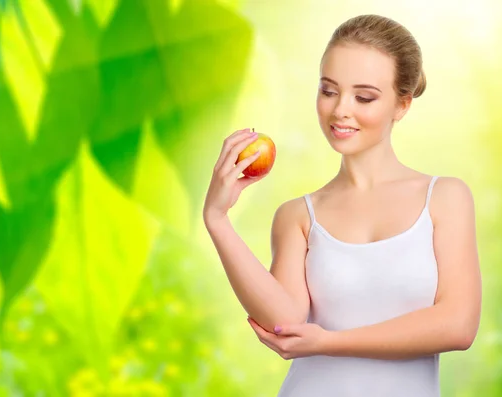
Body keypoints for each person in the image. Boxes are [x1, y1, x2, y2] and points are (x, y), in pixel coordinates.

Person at [202, 14, 482, 397]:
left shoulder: (445, 198)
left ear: (402, 105)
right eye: (329, 90)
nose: (340, 110)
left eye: (364, 97)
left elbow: (458, 326)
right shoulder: (297, 216)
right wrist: (217, 219)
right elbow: (284, 323)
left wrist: (327, 343)